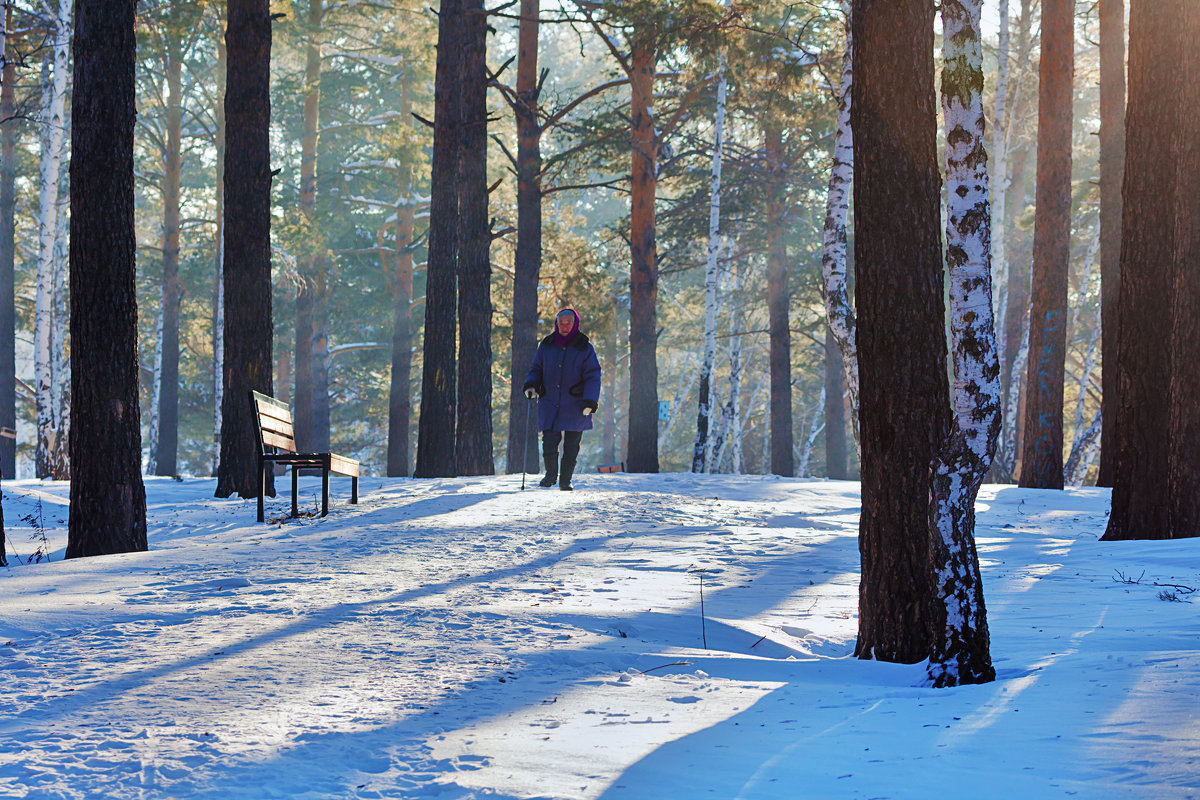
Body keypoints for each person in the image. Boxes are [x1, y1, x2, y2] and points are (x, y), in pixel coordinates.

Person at [522, 308, 601, 490]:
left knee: (572, 444)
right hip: (550, 401)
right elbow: (536, 368)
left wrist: (590, 400)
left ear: (575, 324)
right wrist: (531, 384)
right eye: (561, 323)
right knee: (549, 440)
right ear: (557, 324)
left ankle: (566, 480)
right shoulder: (547, 344)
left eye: (568, 323)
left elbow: (593, 375)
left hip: (576, 403)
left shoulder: (584, 347)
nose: (564, 327)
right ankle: (550, 476)